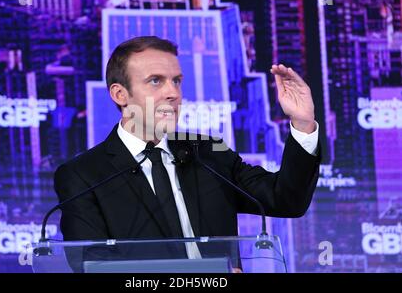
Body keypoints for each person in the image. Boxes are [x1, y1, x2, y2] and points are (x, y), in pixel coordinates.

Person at [54, 36, 321, 261]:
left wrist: (302, 122)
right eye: (156, 81)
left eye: (177, 81)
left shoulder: (208, 153)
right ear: (120, 94)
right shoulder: (83, 175)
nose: (173, 93)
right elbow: (92, 265)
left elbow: (286, 200)